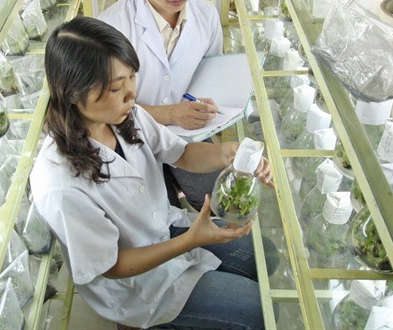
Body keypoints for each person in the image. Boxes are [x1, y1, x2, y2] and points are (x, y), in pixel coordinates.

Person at [30, 17, 275, 330]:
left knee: (265, 257)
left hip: (164, 227)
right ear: (73, 94)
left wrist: (229, 154)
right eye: (116, 87)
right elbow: (111, 265)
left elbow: (181, 153)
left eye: (132, 77)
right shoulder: (60, 184)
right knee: (257, 310)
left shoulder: (123, 114)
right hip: (136, 284)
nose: (131, 94)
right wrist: (191, 240)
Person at [98, 0, 224, 210]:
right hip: (128, 139)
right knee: (158, 220)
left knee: (218, 201)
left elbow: (212, 74)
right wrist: (171, 114)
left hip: (189, 132)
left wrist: (206, 109)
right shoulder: (112, 27)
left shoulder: (206, 16)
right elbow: (104, 110)